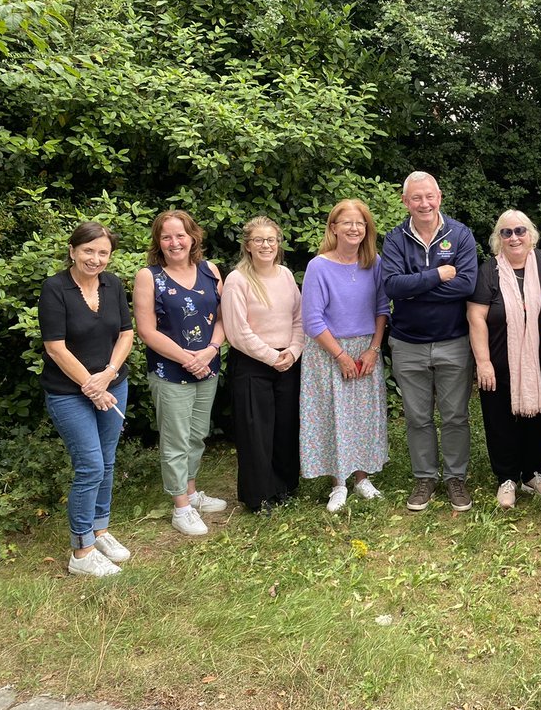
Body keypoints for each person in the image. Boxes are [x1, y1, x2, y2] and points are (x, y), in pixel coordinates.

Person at [40, 222, 135, 576]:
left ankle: (101, 529)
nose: (95, 258)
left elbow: (126, 333)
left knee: (107, 461)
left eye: (103, 252)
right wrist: (91, 387)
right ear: (72, 251)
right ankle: (81, 552)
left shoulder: (112, 285)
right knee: (91, 466)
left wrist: (109, 374)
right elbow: (55, 347)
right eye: (88, 251)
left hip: (113, 384)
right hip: (68, 393)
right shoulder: (54, 288)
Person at [382, 172, 478, 513]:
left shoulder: (460, 234)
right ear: (405, 201)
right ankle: (425, 477)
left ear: (439, 196)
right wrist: (438, 274)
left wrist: (416, 289)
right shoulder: (395, 239)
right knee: (417, 417)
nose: (424, 204)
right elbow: (393, 286)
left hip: (454, 340)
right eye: (416, 198)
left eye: (429, 196)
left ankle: (455, 478)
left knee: (455, 416)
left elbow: (466, 285)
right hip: (408, 343)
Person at [134, 210, 228, 537]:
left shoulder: (210, 270)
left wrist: (210, 351)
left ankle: (191, 492)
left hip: (208, 367)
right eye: (166, 236)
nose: (174, 242)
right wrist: (187, 358)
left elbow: (222, 318)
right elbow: (146, 331)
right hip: (170, 371)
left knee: (197, 434)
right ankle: (181, 508)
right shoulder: (150, 277)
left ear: (193, 237)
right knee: (175, 440)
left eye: (180, 235)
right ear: (158, 242)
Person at [467, 211, 541, 508]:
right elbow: (476, 317)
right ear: (499, 239)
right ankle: (507, 477)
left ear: (531, 234)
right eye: (506, 232)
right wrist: (483, 362)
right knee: (500, 420)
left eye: (520, 230)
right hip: (499, 361)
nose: (514, 237)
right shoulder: (488, 272)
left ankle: (533, 472)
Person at [300, 200, 389, 513]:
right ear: (333, 227)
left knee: (363, 417)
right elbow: (312, 320)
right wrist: (340, 355)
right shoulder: (319, 266)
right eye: (347, 222)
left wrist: (374, 348)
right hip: (329, 350)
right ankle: (338, 483)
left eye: (360, 223)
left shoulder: (374, 263)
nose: (354, 228)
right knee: (335, 415)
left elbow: (382, 308)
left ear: (367, 230)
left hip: (365, 348)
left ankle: (362, 477)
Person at [222, 216, 303, 513]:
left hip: (288, 361)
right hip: (253, 363)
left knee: (284, 427)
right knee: (256, 431)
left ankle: (283, 486)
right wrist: (271, 356)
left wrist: (293, 351)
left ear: (278, 244)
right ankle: (258, 496)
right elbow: (237, 331)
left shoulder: (284, 275)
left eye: (271, 240)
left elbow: (299, 317)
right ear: (248, 245)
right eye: (259, 240)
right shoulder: (237, 279)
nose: (266, 245)